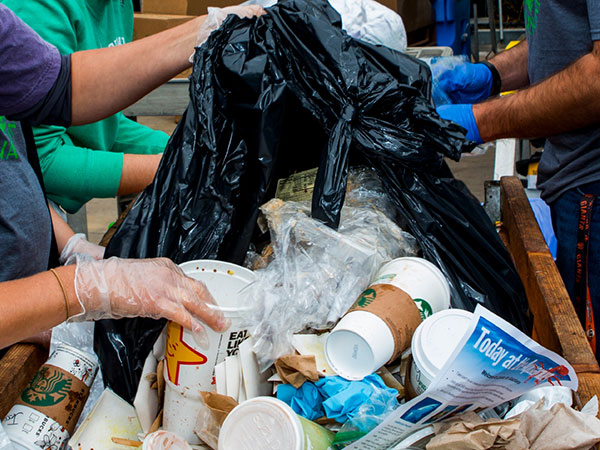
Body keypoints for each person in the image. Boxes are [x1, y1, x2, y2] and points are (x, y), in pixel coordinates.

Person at [0, 3, 263, 349]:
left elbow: (60, 91)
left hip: (30, 298)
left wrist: (69, 248)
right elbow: (49, 155)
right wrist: (80, 288)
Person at [434, 1, 600, 357]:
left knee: (590, 367)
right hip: (573, 181)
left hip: (593, 188)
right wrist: (493, 75)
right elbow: (560, 40)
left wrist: (481, 121)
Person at [2, 0, 169, 215]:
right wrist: (165, 168)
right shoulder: (37, 10)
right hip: (24, 207)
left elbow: (106, 124)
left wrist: (178, 150)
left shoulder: (117, 5)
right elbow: (39, 159)